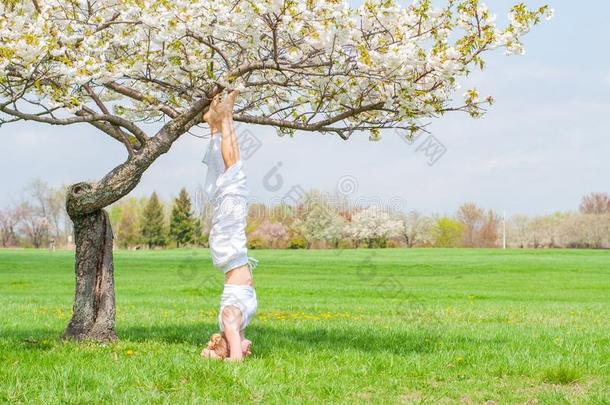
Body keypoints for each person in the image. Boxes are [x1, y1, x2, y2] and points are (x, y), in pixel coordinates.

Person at [199, 90, 257, 362]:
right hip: (230, 250)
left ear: (227, 344)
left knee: (235, 176)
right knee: (226, 180)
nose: (249, 349)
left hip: (229, 248)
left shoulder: (229, 322)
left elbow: (236, 360)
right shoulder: (235, 325)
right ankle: (214, 122)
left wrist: (221, 356)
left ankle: (226, 116)